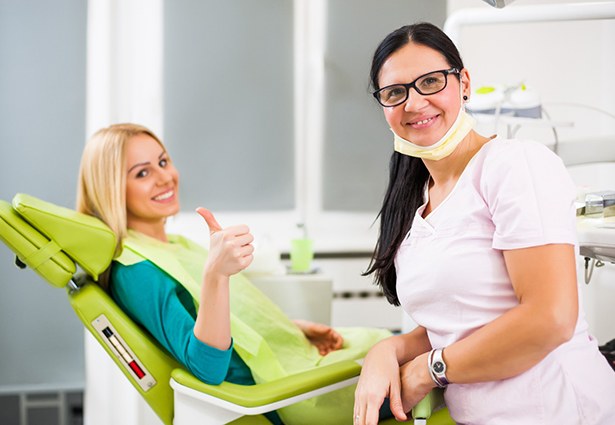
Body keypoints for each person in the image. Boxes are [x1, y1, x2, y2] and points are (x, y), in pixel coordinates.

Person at [353, 22, 615, 425]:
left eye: (430, 81)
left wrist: (428, 369)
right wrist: (387, 351)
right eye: (395, 92)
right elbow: (462, 321)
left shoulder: (513, 164)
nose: (414, 102)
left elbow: (551, 318)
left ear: (464, 84)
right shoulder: (416, 200)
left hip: (560, 410)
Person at [76, 123, 392, 425]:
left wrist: (291, 329)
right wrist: (216, 273)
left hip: (298, 361)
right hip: (287, 396)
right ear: (112, 189)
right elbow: (206, 367)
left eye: (163, 162)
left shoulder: (174, 245)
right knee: (415, 362)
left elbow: (214, 318)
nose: (165, 177)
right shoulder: (136, 271)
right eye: (142, 173)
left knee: (396, 345)